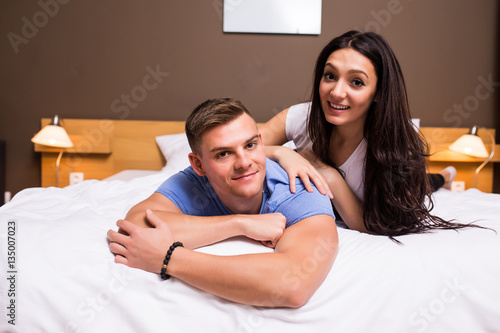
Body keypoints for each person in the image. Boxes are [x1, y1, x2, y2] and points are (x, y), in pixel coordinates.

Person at [107, 97, 338, 308]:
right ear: (198, 165)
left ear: (260, 142)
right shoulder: (193, 183)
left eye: (250, 145)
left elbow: (292, 285)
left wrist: (170, 259)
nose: (244, 163)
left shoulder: (301, 190)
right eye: (223, 154)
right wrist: (240, 224)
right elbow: (135, 227)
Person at [260, 30, 464, 238]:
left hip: (405, 183)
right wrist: (282, 153)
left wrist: (329, 174)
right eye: (330, 76)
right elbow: (236, 146)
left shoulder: (400, 151)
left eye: (356, 82)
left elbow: (377, 224)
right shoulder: (302, 117)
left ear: (378, 92)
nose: (337, 92)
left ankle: (445, 175)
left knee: (430, 183)